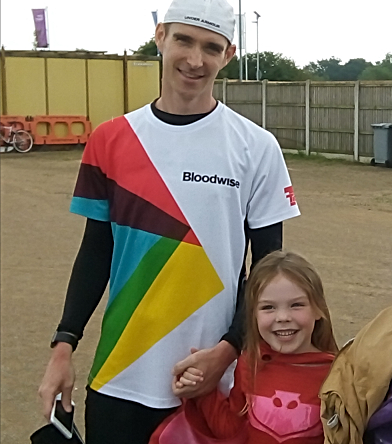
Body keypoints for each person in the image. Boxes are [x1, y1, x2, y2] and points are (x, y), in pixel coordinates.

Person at [37, 0, 300, 442]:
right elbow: (95, 253)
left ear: (228, 55)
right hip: (120, 375)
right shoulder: (110, 139)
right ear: (161, 37)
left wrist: (229, 350)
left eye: (211, 47)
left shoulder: (257, 146)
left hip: (213, 381)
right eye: (184, 40)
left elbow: (268, 271)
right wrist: (64, 345)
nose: (196, 60)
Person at [150, 250, 339, 444]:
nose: (283, 317)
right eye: (268, 307)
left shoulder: (338, 374)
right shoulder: (250, 364)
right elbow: (230, 429)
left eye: (296, 305)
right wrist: (202, 389)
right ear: (253, 315)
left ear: (319, 309)